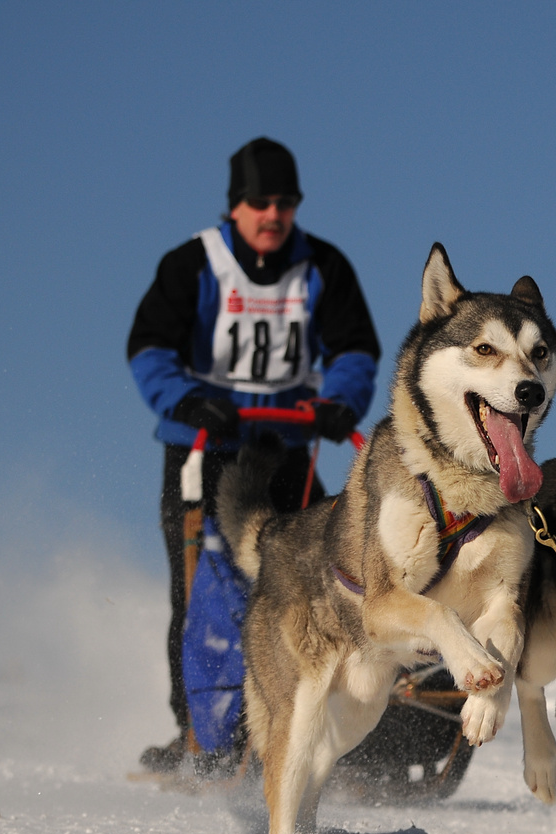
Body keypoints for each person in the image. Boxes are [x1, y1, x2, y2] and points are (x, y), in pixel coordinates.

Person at [127, 137, 380, 772]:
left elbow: (354, 350)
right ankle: (199, 734)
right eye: (259, 202)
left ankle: (301, 717)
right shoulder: (194, 264)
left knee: (303, 583)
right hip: (203, 449)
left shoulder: (323, 267)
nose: (273, 215)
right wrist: (187, 400)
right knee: (199, 592)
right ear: (235, 205)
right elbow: (149, 348)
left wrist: (341, 402)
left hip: (288, 446)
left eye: (285, 203)